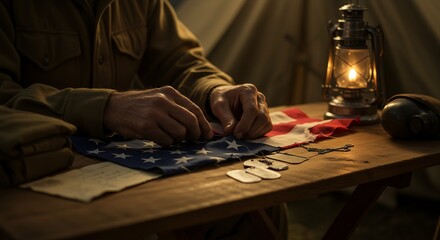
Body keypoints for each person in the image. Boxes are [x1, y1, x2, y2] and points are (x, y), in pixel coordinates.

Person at [0, 0, 272, 146]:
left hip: (117, 166)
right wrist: (105, 108)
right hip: (32, 168)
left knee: (253, 208)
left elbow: (178, 61)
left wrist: (215, 90)